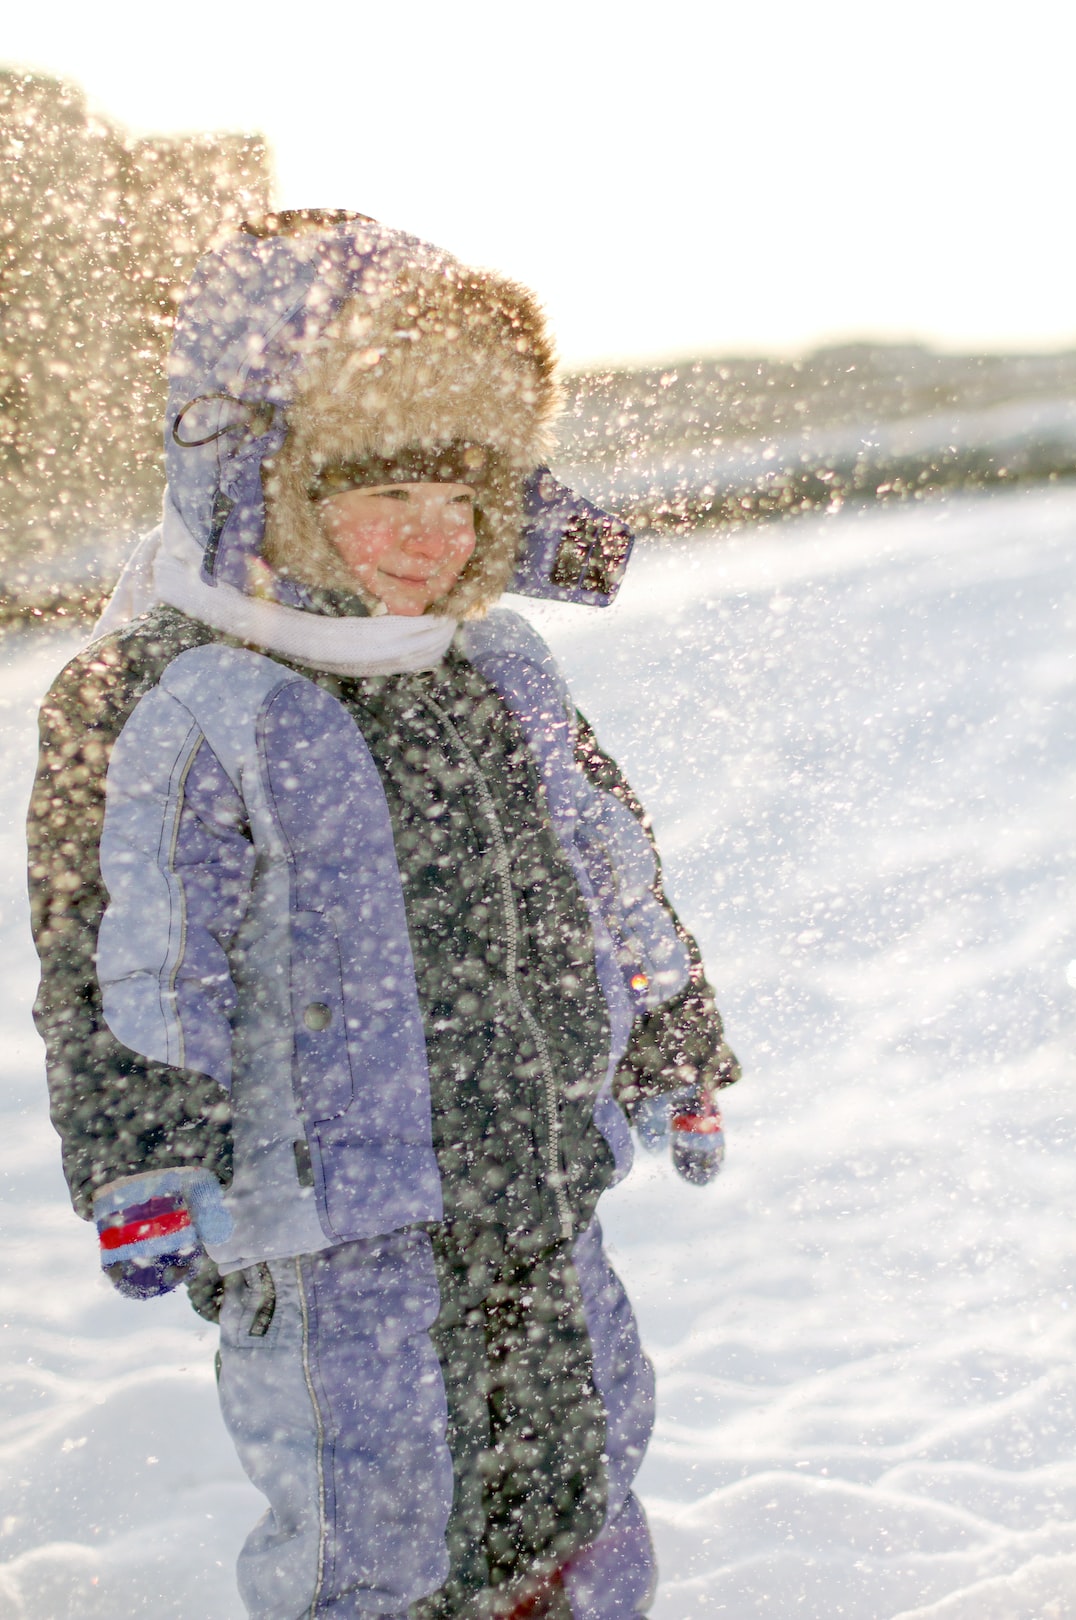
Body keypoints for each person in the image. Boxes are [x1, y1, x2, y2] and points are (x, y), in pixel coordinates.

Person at [27, 210, 740, 1620]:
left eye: (468, 494)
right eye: (382, 489)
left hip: (542, 1191)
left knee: (582, 1467)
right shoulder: (188, 700)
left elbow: (608, 871)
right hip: (329, 1232)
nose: (434, 535)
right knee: (381, 1519)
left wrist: (670, 1036)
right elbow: (131, 956)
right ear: (267, 483)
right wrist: (144, 1153)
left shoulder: (498, 671)